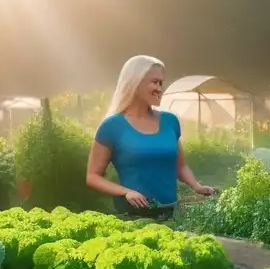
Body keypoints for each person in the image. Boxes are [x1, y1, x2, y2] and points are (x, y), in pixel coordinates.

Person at [86, 55, 214, 218]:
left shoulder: (170, 121)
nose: (160, 88)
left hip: (171, 214)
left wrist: (196, 186)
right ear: (135, 82)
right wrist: (127, 192)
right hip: (132, 216)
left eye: (161, 83)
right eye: (154, 82)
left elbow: (180, 166)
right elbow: (92, 177)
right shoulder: (112, 126)